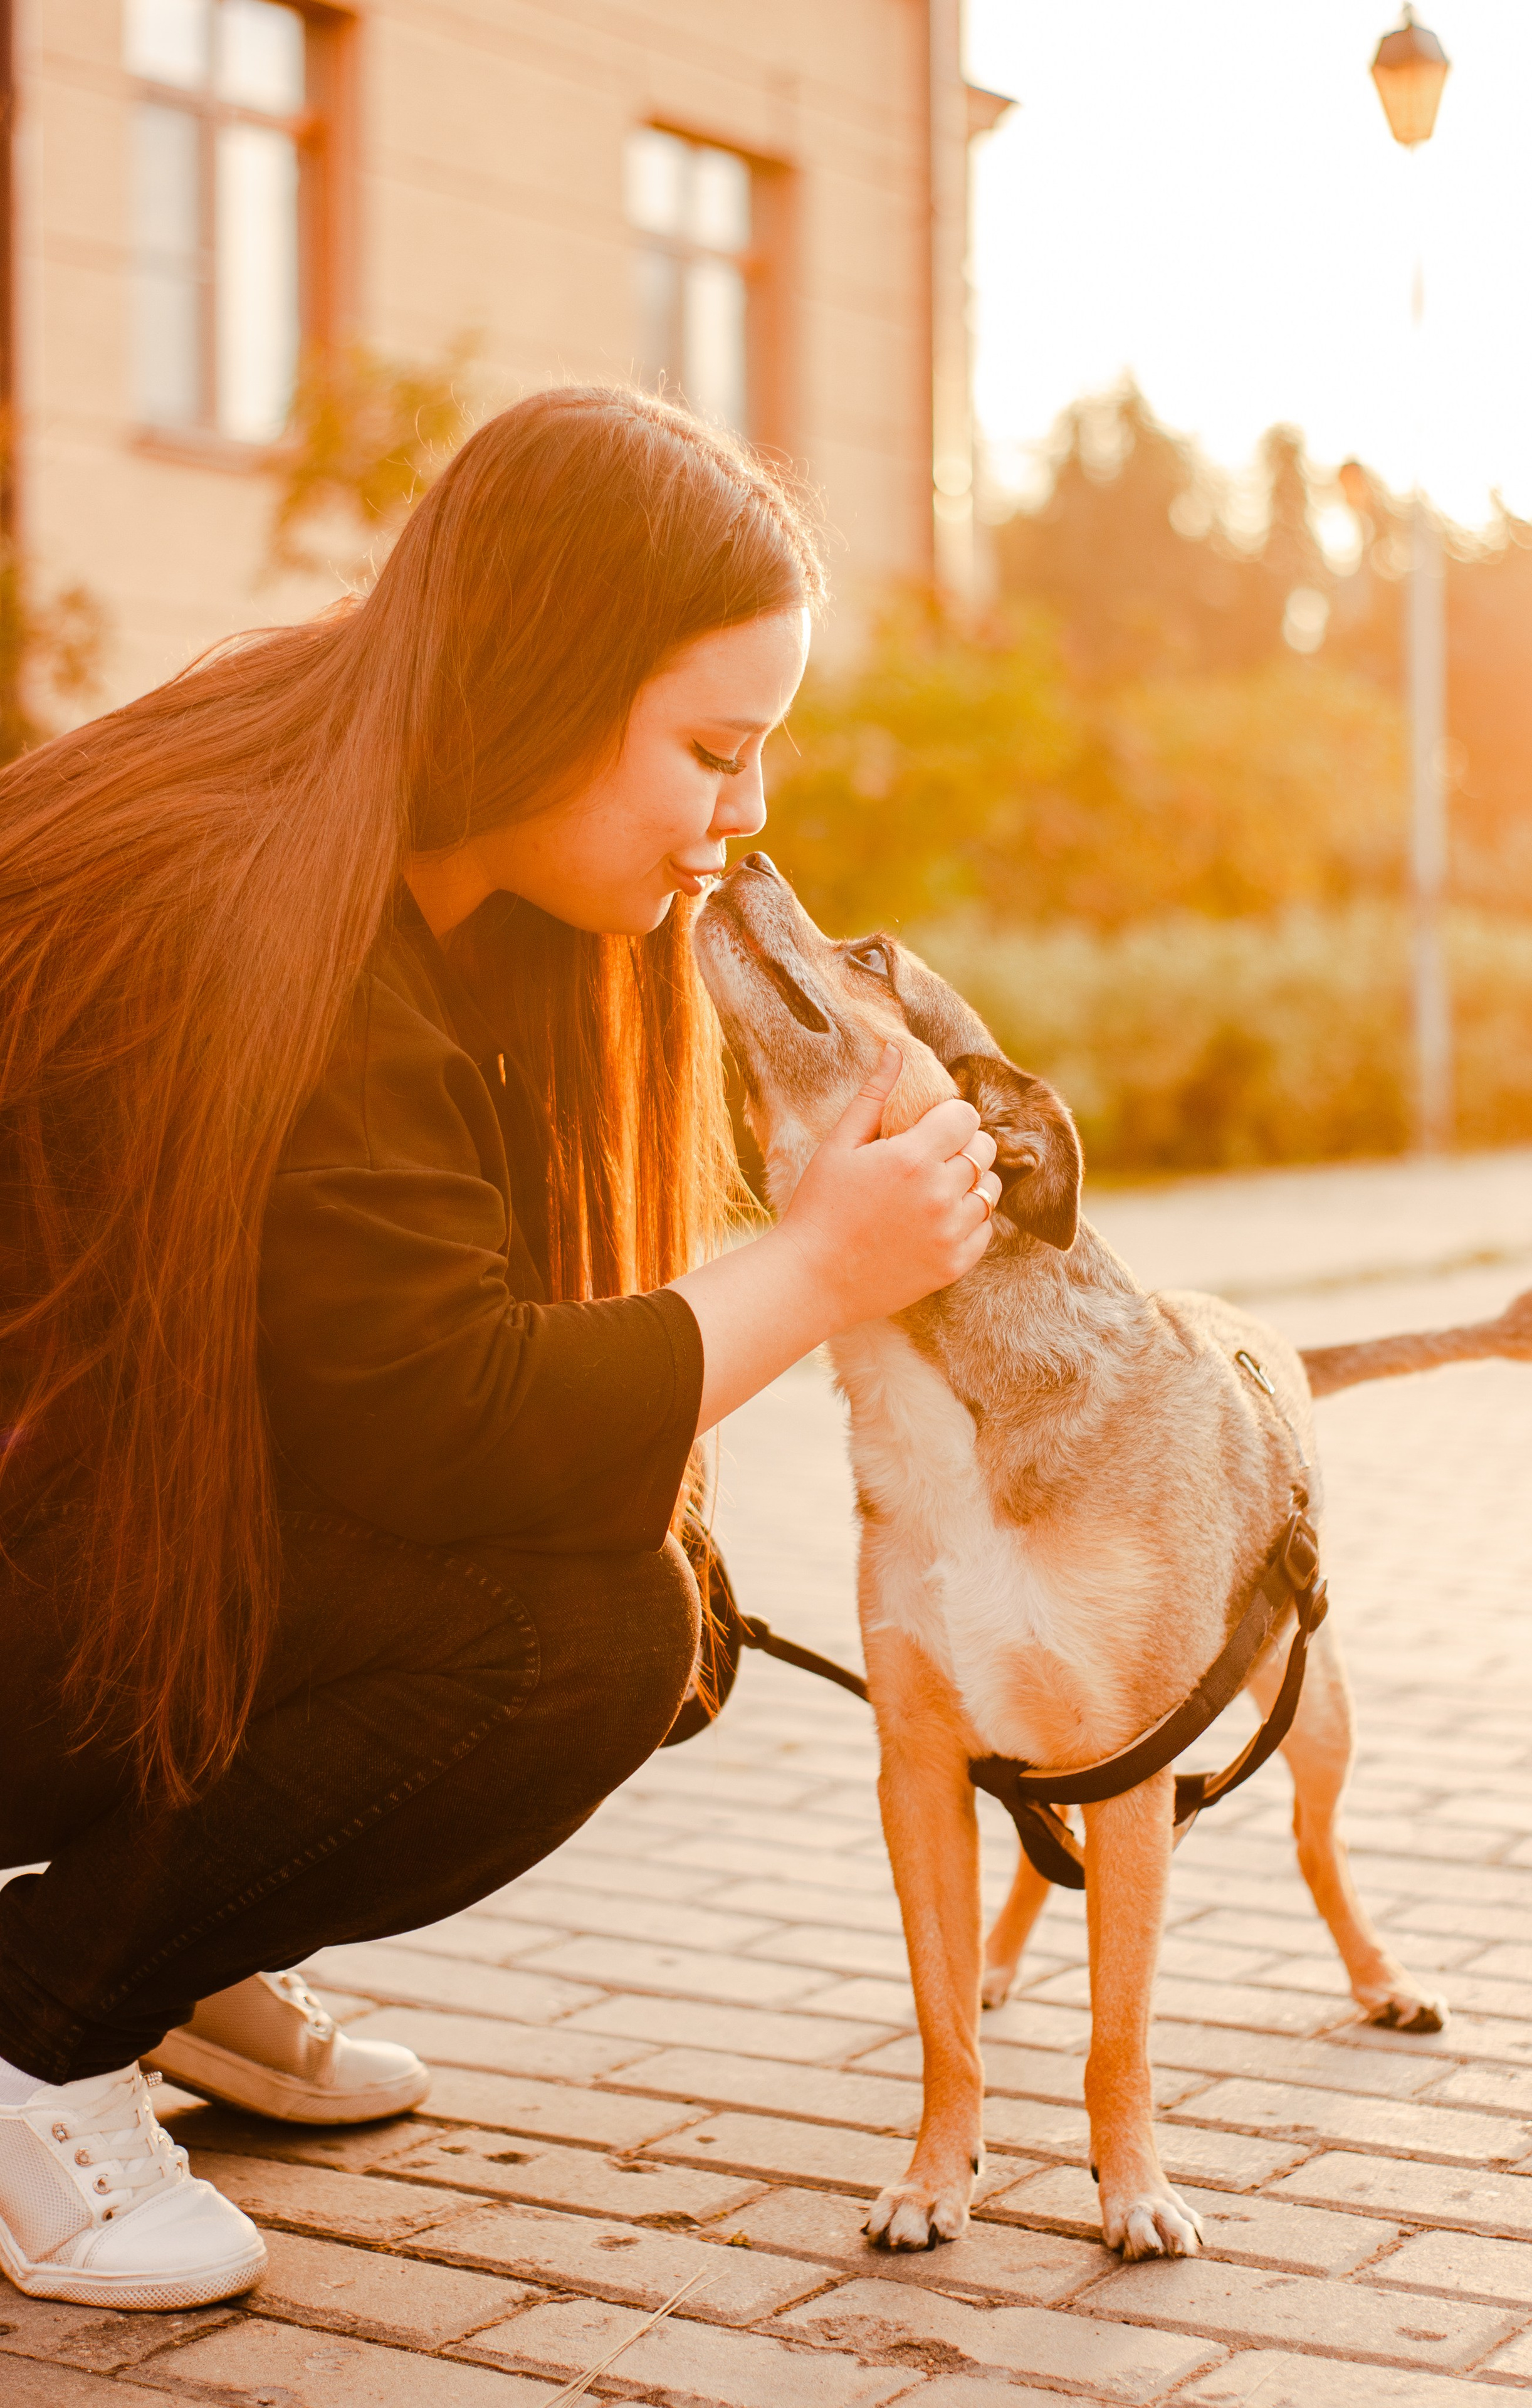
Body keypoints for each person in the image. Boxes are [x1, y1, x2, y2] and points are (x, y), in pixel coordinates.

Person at [0, 388, 1004, 2310]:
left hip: (64, 1549)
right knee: (580, 1636)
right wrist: (824, 1267)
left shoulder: (419, 877)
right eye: (716, 749)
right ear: (541, 680)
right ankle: (42, 2025)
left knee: (657, 1592)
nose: (752, 813)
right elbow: (451, 1417)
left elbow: (379, 1369)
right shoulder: (259, 910)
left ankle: (175, 1949)